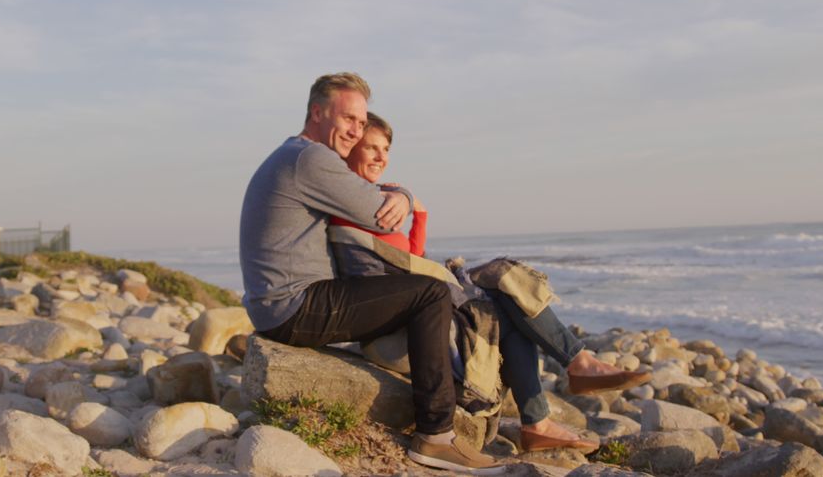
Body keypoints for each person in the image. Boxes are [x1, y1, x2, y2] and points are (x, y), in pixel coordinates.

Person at [331, 113, 651, 452]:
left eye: (386, 149)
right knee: (501, 280)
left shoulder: (371, 203)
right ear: (350, 150)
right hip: (400, 323)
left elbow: (412, 256)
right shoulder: (354, 202)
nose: (382, 157)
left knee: (505, 304)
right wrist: (404, 195)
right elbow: (408, 264)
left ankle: (541, 418)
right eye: (372, 148)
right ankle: (570, 373)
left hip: (413, 300)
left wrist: (417, 212)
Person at [240, 72, 503, 473]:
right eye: (348, 119)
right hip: (293, 306)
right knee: (430, 292)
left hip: (279, 303)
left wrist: (399, 197)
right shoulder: (313, 158)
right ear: (316, 112)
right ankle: (436, 436)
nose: (355, 130)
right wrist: (406, 195)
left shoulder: (294, 154)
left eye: (361, 123)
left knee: (410, 292)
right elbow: (381, 218)